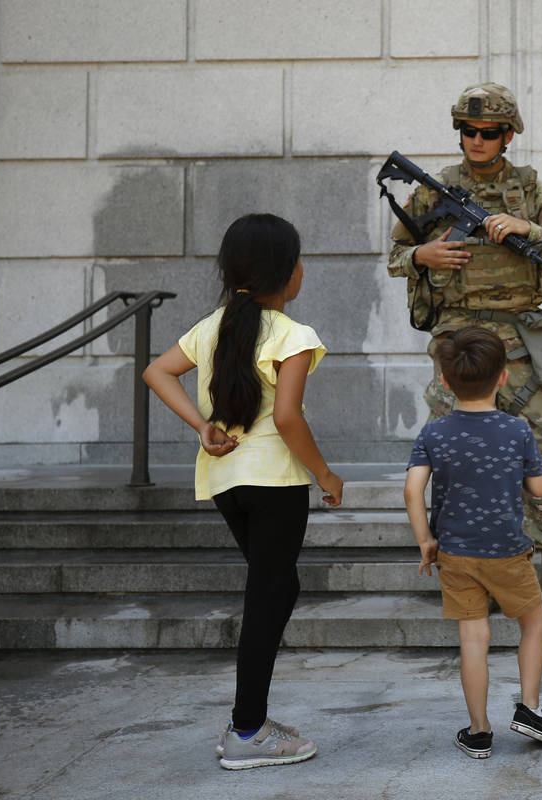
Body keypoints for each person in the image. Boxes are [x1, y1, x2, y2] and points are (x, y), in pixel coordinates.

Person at [388, 82, 542, 609]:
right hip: (459, 343)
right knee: (454, 454)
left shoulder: (533, 192)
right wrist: (423, 256)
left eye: (488, 132)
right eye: (468, 130)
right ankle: (467, 574)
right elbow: (396, 257)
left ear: (508, 135)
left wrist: (526, 229)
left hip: (519, 343)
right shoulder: (432, 190)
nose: (476, 140)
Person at [143, 213, 344, 769]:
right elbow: (287, 417)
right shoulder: (293, 335)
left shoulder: (212, 326)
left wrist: (201, 427)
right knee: (268, 597)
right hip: (275, 481)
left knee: (276, 591)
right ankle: (247, 730)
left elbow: (157, 372)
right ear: (289, 272)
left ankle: (247, 721)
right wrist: (325, 476)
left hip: (226, 479)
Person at [404, 326, 542, 759]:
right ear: (503, 378)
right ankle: (529, 708)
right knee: (533, 622)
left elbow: (412, 490)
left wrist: (425, 541)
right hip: (508, 551)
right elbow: (540, 488)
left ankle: (478, 731)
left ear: (446, 381)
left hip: (454, 551)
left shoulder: (434, 433)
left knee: (473, 639)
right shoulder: (517, 429)